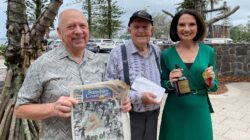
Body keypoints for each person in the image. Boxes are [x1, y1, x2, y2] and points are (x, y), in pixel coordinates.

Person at [14, 9, 131, 140]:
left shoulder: (100, 62)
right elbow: (20, 109)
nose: (78, 31)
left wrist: (122, 101)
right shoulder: (41, 65)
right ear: (59, 33)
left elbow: (112, 96)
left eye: (82, 26)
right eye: (70, 27)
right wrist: (53, 108)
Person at [159, 9, 218, 140]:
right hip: (174, 110)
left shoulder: (208, 52)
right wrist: (170, 82)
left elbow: (214, 86)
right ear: (175, 27)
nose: (186, 29)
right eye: (181, 25)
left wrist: (209, 81)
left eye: (192, 24)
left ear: (198, 27)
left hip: (199, 110)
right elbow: (163, 84)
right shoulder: (166, 55)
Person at [105, 10, 161, 140]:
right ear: (129, 30)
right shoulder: (117, 53)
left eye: (145, 27)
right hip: (129, 115)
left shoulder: (156, 51)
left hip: (154, 114)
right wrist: (138, 97)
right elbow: (109, 88)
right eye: (136, 27)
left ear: (151, 30)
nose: (141, 30)